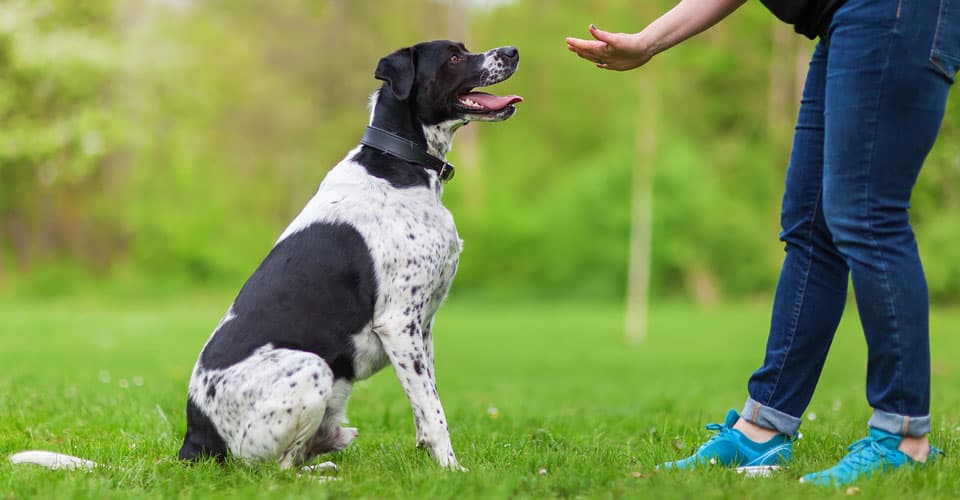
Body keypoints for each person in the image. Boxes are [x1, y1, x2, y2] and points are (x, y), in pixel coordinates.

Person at [567, 0, 958, 487]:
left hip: (892, 13)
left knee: (866, 213)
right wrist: (648, 41)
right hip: (844, 21)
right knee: (810, 229)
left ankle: (903, 435)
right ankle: (763, 427)